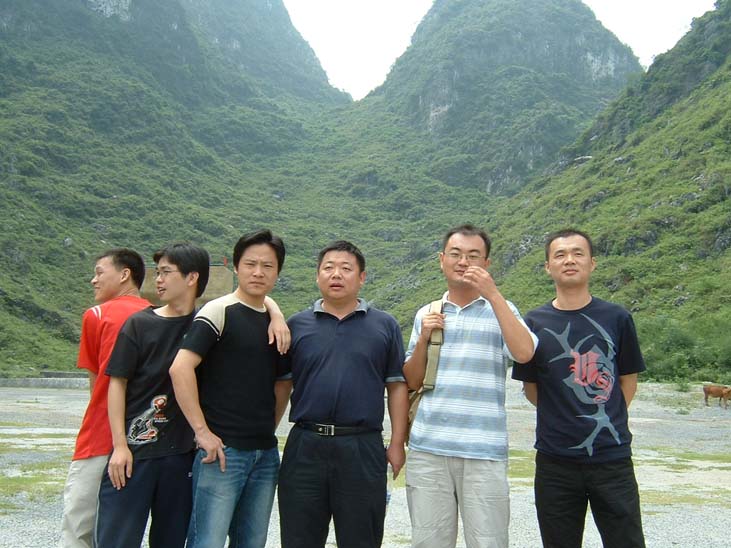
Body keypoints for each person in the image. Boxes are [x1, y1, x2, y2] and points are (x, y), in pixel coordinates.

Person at [403, 224, 537, 548]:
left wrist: (493, 295)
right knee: (428, 542)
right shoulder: (427, 313)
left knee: (489, 541)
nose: (463, 262)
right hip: (428, 449)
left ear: (486, 264)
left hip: (484, 451)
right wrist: (423, 339)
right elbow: (411, 380)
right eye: (456, 254)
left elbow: (524, 353)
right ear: (442, 260)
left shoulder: (503, 310)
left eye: (473, 256)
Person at [512, 228, 646, 548]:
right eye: (560, 255)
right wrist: (565, 416)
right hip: (554, 462)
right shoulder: (533, 323)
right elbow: (532, 389)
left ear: (592, 263)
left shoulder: (617, 317)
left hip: (612, 458)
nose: (569, 260)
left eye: (577, 253)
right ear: (548, 266)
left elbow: (627, 381)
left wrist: (602, 412)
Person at [278, 240, 408, 548]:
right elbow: (282, 387)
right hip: (305, 446)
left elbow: (396, 385)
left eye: (346, 268)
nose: (336, 274)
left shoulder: (384, 325)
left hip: (362, 447)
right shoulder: (296, 325)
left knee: (362, 538)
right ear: (317, 276)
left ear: (362, 277)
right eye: (328, 268)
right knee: (299, 538)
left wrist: (397, 443)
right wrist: (265, 437)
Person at [170, 229, 291, 548]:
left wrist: (276, 312)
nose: (258, 272)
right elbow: (180, 368)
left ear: (278, 272)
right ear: (236, 267)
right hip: (222, 453)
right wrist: (202, 433)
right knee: (207, 541)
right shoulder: (218, 311)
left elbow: (283, 383)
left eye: (268, 266)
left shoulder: (276, 323)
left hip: (265, 455)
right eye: (250, 264)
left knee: (252, 542)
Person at [94, 242, 211, 548]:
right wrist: (120, 446)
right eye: (157, 272)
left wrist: (276, 314)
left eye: (166, 272)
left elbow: (249, 302)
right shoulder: (140, 324)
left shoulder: (206, 327)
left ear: (192, 278)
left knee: (171, 540)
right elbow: (117, 384)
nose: (158, 280)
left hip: (181, 458)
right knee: (116, 540)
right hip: (135, 454)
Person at [59, 248, 150, 548]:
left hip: (99, 437)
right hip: (146, 439)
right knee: (122, 530)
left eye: (99, 272)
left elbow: (96, 384)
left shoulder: (96, 315)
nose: (93, 280)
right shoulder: (159, 316)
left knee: (78, 526)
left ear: (124, 274)